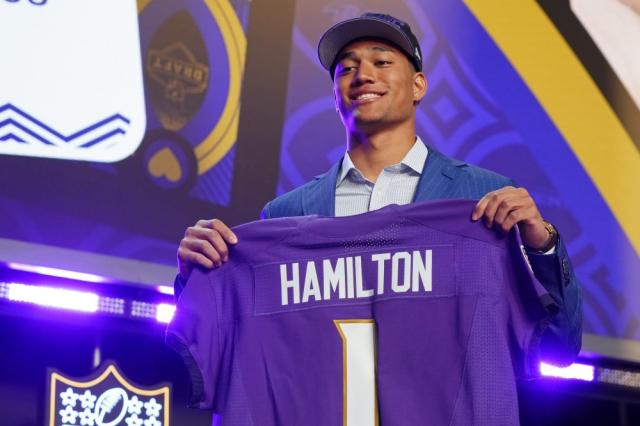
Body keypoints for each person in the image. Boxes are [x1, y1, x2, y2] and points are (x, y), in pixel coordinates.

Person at [176, 12, 581, 364]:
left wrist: (541, 244)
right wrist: (195, 277)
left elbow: (559, 347)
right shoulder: (286, 213)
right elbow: (243, 349)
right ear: (335, 93)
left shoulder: (484, 198)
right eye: (346, 68)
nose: (363, 75)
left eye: (382, 61)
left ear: (419, 86)